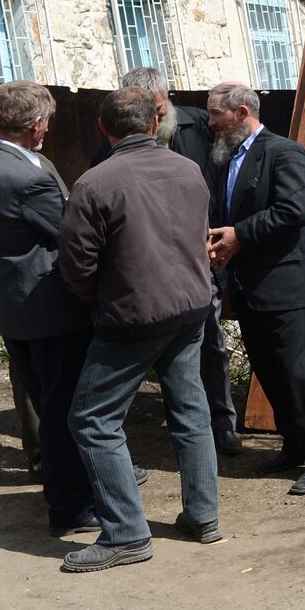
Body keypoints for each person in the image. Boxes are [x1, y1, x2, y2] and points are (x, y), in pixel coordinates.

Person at [58, 87, 222, 573]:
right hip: (191, 308)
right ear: (155, 124)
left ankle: (127, 534)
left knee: (91, 419)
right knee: (191, 410)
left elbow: (76, 266)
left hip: (134, 318)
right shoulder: (187, 168)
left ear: (103, 130)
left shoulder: (94, 183)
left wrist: (100, 298)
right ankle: (203, 516)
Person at [0, 81, 96, 535]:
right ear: (35, 124)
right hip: (51, 311)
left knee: (48, 403)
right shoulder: (26, 176)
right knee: (63, 410)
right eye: (47, 121)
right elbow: (73, 235)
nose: (48, 129)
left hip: (14, 308)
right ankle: (71, 509)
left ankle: (66, 496)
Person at [93, 67, 241, 457]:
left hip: (199, 261)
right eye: (146, 112)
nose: (155, 119)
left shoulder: (198, 125)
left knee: (211, 346)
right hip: (146, 272)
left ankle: (221, 426)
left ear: (167, 101)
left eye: (158, 108)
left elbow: (230, 176)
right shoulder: (110, 144)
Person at [205, 81, 305, 495]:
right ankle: (294, 444)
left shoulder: (284, 152)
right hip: (248, 287)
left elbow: (295, 210)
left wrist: (239, 234)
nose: (210, 122)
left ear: (243, 112)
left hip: (284, 286)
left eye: (216, 114)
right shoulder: (229, 157)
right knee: (269, 371)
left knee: (301, 372)